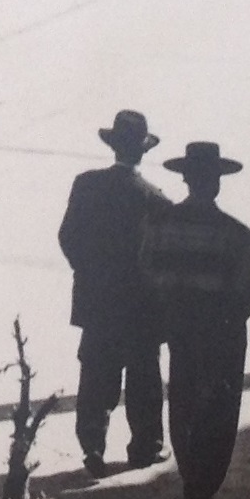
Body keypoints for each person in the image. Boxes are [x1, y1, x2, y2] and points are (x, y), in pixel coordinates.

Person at [142, 142, 250, 499]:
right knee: (218, 413)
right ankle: (201, 494)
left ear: (187, 179)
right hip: (220, 334)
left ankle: (191, 479)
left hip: (179, 330)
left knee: (183, 405)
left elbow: (148, 276)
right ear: (217, 183)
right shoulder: (237, 236)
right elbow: (245, 295)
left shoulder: (160, 226)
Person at [57, 111, 171, 478]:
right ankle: (145, 448)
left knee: (95, 377)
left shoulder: (86, 185)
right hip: (141, 308)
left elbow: (68, 237)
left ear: (113, 146)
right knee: (144, 380)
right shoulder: (156, 199)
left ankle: (92, 447)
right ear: (143, 151)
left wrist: (89, 273)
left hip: (98, 302)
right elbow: (162, 258)